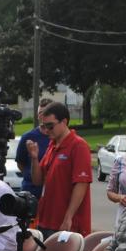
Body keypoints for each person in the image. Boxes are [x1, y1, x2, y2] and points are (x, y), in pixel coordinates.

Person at [27, 102, 93, 237]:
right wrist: (34, 158)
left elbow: (82, 184)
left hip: (65, 224)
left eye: (50, 126)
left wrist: (68, 217)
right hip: (46, 220)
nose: (46, 131)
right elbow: (38, 181)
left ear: (64, 122)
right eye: (43, 126)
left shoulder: (78, 145)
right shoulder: (53, 145)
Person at [15, 98, 52, 203]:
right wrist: (32, 175)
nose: (42, 116)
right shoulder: (28, 137)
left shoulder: (57, 137)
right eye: (40, 113)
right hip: (31, 192)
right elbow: (20, 163)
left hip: (51, 192)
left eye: (45, 113)